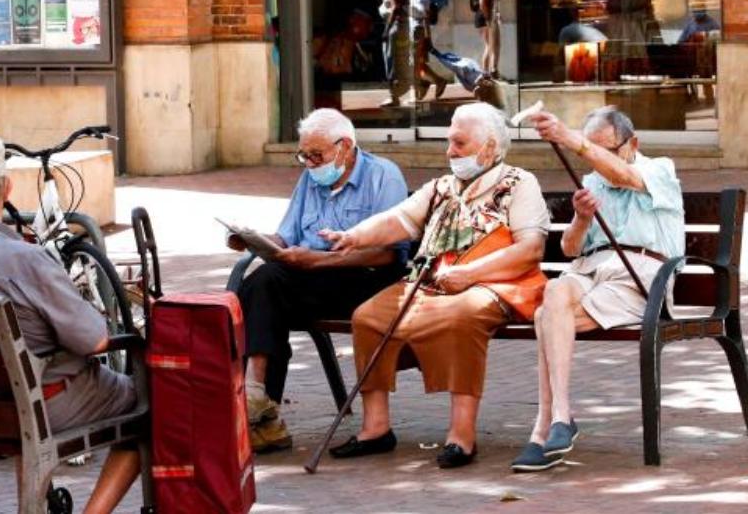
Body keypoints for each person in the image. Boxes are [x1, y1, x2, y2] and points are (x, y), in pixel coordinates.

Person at [0, 135, 139, 514]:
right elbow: (96, 340)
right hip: (46, 405)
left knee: (30, 379)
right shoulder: (27, 259)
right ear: (7, 189)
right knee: (150, 404)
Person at [320, 103, 549, 468]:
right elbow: (399, 220)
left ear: (489, 147)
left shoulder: (520, 183)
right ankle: (376, 428)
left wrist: (471, 273)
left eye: (459, 143)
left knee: (461, 316)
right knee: (367, 317)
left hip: (494, 284)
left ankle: (462, 435)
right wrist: (353, 236)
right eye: (449, 142)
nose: (449, 152)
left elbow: (531, 249)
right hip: (432, 283)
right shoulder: (441, 187)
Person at [510, 106, 683, 472]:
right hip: (590, 271)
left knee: (545, 317)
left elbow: (623, 176)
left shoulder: (658, 169)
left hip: (638, 275)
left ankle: (544, 428)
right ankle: (560, 417)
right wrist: (582, 218)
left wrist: (568, 137)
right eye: (591, 148)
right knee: (553, 292)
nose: (596, 157)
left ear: (632, 142)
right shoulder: (590, 183)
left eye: (605, 148)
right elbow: (571, 249)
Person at [231, 108, 408, 452]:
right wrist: (256, 240)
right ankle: (259, 403)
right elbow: (287, 235)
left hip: (365, 278)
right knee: (256, 286)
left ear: (345, 147)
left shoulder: (383, 176)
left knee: (268, 287)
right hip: (310, 275)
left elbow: (389, 252)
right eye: (304, 156)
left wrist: (321, 259)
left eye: (316, 155)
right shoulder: (310, 179)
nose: (310, 164)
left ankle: (259, 404)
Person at [478, 0, 505, 78]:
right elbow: (481, 0)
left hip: (493, 16)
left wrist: (498, 15)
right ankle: (485, 73)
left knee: (497, 44)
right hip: (485, 17)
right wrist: (487, 16)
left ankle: (494, 69)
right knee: (489, 45)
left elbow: (497, 2)